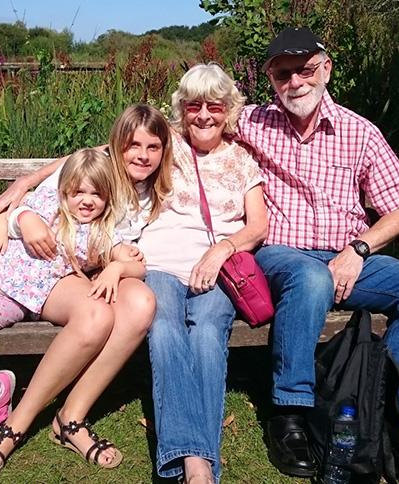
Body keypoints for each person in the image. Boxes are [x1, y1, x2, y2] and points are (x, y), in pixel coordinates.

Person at [234, 27, 399, 478]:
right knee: (310, 277)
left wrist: (359, 248)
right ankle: (289, 411)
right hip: (282, 256)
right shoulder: (250, 122)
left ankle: (386, 414)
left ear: (327, 68)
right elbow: (176, 128)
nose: (296, 82)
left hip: (351, 256)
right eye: (283, 74)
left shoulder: (360, 133)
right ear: (271, 79)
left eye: (306, 70)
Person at [0, 105, 174, 480]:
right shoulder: (93, 170)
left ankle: (71, 417)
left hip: (103, 267)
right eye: (133, 146)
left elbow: (133, 257)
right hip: (56, 270)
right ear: (116, 145)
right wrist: (16, 210)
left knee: (142, 303)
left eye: (153, 147)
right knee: (97, 315)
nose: (142, 155)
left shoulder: (149, 188)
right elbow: (31, 207)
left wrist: (116, 266)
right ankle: (16, 425)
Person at [139, 64, 268, 484]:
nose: (204, 115)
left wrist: (222, 248)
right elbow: (97, 157)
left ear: (229, 108)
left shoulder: (242, 159)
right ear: (182, 108)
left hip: (217, 269)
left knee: (209, 331)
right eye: (194, 105)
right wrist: (23, 186)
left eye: (215, 105)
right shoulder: (166, 145)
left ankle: (193, 461)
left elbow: (258, 225)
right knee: (164, 328)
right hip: (159, 264)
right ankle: (198, 465)